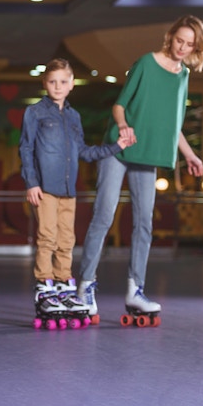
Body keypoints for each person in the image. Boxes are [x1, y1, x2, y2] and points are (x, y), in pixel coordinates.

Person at [76, 15, 203, 325]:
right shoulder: (146, 63)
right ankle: (85, 286)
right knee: (104, 215)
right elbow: (119, 105)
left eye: (190, 44)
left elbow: (173, 125)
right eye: (180, 40)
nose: (183, 47)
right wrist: (123, 127)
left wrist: (191, 155)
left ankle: (135, 289)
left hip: (148, 155)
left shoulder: (182, 76)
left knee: (144, 222)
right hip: (119, 149)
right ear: (170, 36)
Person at [19, 58, 133, 328]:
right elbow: (25, 149)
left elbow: (83, 151)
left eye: (63, 81)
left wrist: (116, 146)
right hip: (45, 188)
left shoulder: (73, 116)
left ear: (71, 84)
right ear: (44, 83)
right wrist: (31, 183)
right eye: (52, 81)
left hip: (69, 190)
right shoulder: (35, 113)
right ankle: (44, 287)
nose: (57, 86)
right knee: (47, 237)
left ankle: (63, 286)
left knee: (67, 240)